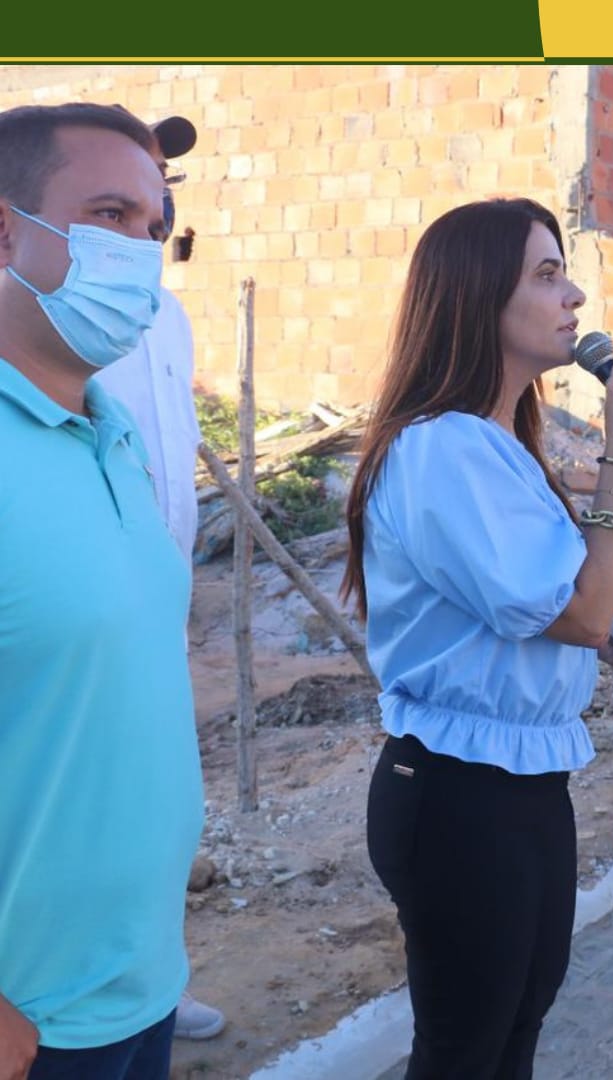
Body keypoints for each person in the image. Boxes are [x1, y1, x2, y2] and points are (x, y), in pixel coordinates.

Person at [340, 197, 613, 1079]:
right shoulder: (441, 448)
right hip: (458, 796)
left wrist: (609, 638)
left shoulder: (498, 443)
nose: (575, 298)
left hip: (522, 784)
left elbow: (567, 613)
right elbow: (580, 610)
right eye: (547, 275)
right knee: (466, 1050)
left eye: (567, 274)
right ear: (477, 295)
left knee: (516, 1028)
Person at [0, 102, 203, 1080]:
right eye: (110, 216)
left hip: (141, 982)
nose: (140, 254)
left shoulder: (113, 435)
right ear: (5, 233)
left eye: (154, 228)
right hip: (32, 1023)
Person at [94, 111, 225, 1044]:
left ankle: (155, 981)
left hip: (164, 608)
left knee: (157, 812)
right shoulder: (46, 313)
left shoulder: (167, 318)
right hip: (80, 613)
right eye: (116, 208)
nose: (150, 220)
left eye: (158, 199)